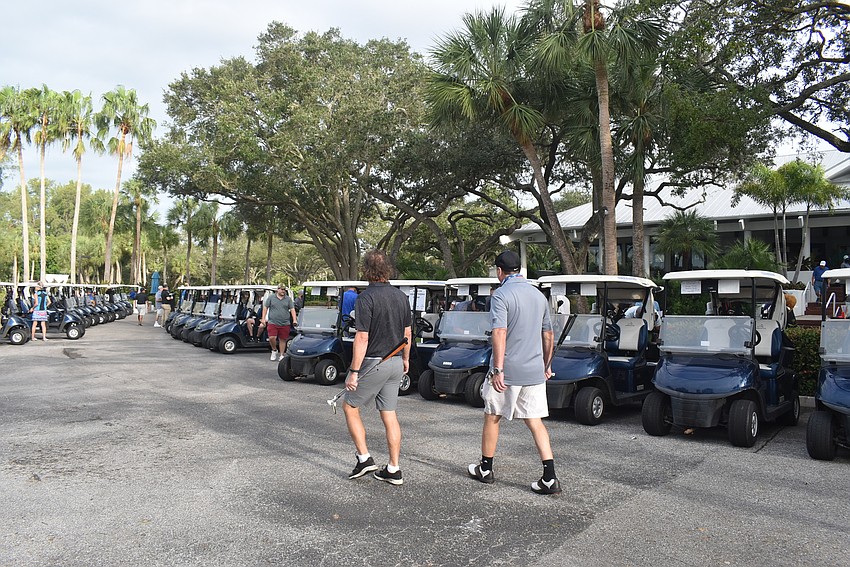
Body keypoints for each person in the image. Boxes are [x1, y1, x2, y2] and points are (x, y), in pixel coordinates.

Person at [468, 250, 560, 495]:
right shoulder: (538, 295)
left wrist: (498, 369)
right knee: (535, 421)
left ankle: (485, 468)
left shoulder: (501, 295)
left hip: (507, 370)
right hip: (534, 371)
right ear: (519, 269)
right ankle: (549, 477)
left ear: (499, 271)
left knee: (492, 415)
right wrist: (547, 365)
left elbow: (499, 332)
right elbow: (548, 334)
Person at [343, 249, 412, 485]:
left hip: (375, 361)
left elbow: (362, 337)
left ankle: (364, 458)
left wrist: (353, 372)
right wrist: (406, 359)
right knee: (389, 414)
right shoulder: (401, 296)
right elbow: (407, 333)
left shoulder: (365, 298)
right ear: (387, 269)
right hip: (395, 361)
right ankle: (394, 468)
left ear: (366, 270)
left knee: (350, 406)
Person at [263, 284, 296, 361]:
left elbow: (292, 309)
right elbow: (265, 307)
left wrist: (294, 319)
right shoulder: (271, 298)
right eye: (281, 289)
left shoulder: (288, 299)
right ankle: (274, 350)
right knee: (272, 337)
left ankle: (281, 355)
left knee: (283, 339)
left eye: (284, 289)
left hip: (285, 323)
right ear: (277, 289)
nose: (283, 291)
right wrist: (263, 318)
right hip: (273, 322)